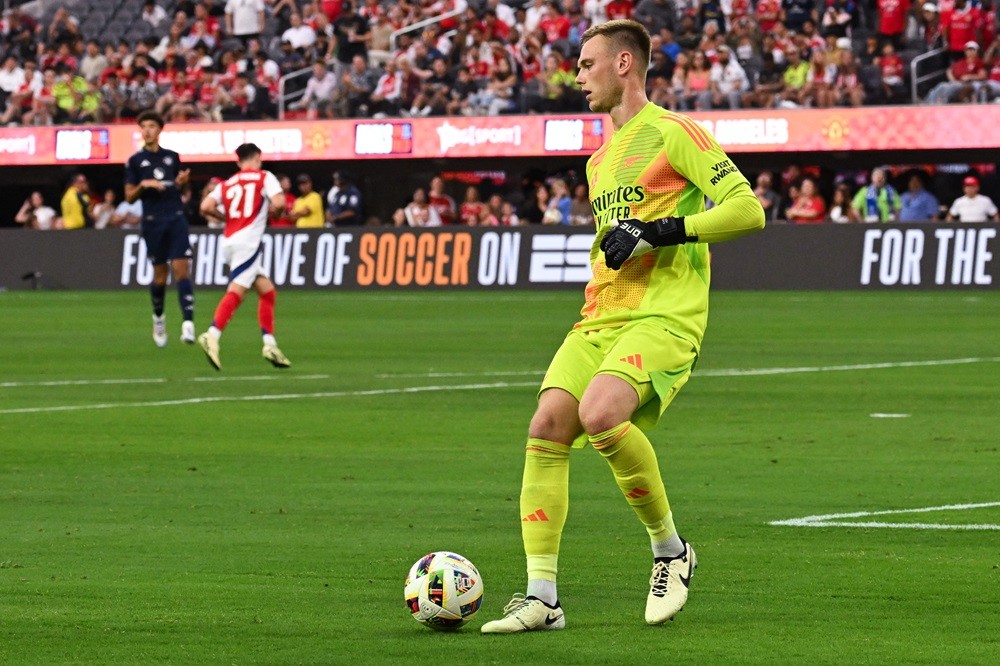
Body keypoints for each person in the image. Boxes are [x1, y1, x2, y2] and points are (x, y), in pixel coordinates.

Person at [479, 19, 765, 635]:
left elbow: (748, 210)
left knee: (603, 414)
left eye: (587, 65)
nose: (577, 77)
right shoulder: (600, 159)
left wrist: (662, 231)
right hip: (602, 315)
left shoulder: (673, 132)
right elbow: (617, 241)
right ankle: (542, 598)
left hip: (664, 313)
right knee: (548, 424)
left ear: (625, 64)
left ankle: (670, 551)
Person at [196, 143, 291, 371]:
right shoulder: (264, 177)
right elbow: (279, 203)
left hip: (229, 241)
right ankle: (212, 334)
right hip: (247, 242)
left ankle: (270, 344)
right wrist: (274, 214)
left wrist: (226, 218)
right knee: (236, 292)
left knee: (267, 292)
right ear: (258, 157)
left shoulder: (228, 183)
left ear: (238, 162)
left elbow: (205, 206)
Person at [124, 110, 195, 347]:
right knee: (160, 276)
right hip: (153, 221)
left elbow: (179, 189)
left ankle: (188, 324)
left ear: (159, 130)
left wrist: (182, 184)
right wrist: (144, 184)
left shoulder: (172, 157)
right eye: (143, 126)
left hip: (175, 218)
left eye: (151, 126)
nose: (147, 130)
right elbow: (130, 196)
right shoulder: (135, 162)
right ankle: (158, 318)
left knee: (182, 270)